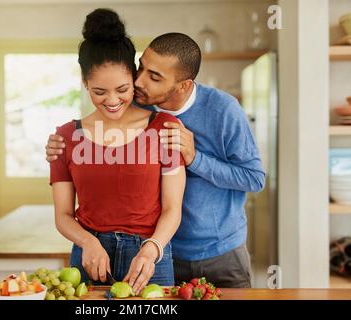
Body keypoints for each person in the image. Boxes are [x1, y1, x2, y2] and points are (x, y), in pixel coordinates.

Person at [47, 30, 266, 288]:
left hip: (218, 252)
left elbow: (254, 178)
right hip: (161, 249)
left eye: (154, 77)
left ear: (182, 85)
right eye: (141, 67)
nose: (139, 81)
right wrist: (62, 143)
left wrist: (194, 157)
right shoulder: (139, 105)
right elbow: (102, 123)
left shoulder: (223, 110)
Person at [49, 8, 186, 295]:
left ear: (135, 77)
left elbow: (173, 208)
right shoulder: (66, 137)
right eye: (99, 92)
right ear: (85, 82)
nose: (112, 101)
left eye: (122, 89)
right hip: (90, 257)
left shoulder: (165, 128)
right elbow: (62, 214)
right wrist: (87, 242)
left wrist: (153, 248)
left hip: (150, 257)